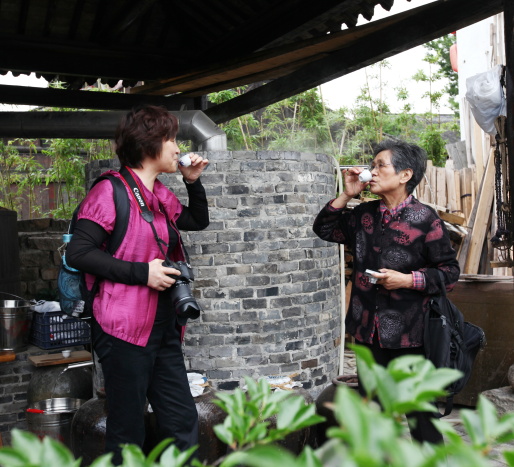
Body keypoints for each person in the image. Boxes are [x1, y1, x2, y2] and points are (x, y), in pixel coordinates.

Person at [67, 105, 209, 463]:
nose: (177, 148)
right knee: (127, 431)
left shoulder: (158, 193)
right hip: (123, 330)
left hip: (163, 327)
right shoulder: (109, 192)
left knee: (182, 421)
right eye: (171, 139)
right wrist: (142, 273)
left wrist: (192, 182)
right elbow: (79, 253)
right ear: (149, 144)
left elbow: (196, 220)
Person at [313, 139, 460, 444]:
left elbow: (449, 272)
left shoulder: (426, 219)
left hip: (411, 335)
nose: (373, 171)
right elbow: (324, 229)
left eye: (381, 165)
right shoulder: (364, 214)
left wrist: (407, 280)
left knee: (420, 414)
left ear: (405, 175)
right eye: (373, 165)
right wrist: (347, 194)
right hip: (368, 332)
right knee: (374, 412)